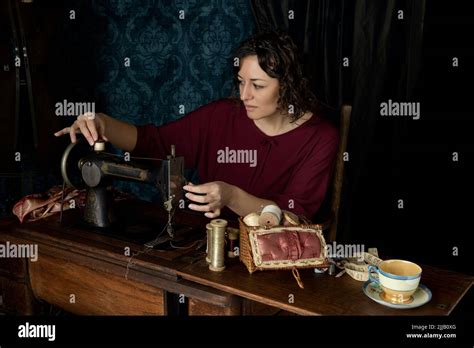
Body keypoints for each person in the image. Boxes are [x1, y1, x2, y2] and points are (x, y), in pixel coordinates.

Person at [54, 30, 339, 220]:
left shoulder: (320, 137)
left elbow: (294, 216)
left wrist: (232, 196)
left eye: (258, 85)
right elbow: (155, 142)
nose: (244, 95)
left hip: (267, 259)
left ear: (289, 87)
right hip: (203, 246)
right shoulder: (220, 116)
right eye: (240, 82)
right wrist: (102, 122)